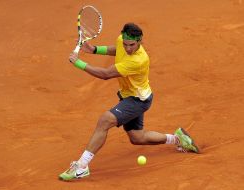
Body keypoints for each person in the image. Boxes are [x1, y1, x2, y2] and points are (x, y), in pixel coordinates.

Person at [59, 23, 199, 181]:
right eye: (125, 44)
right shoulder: (123, 41)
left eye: (131, 45)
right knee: (137, 138)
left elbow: (106, 74)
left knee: (105, 120)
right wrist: (95, 50)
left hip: (137, 100)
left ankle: (81, 166)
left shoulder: (138, 60)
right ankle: (178, 139)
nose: (127, 48)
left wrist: (79, 63)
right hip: (130, 96)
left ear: (140, 41)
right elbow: (117, 48)